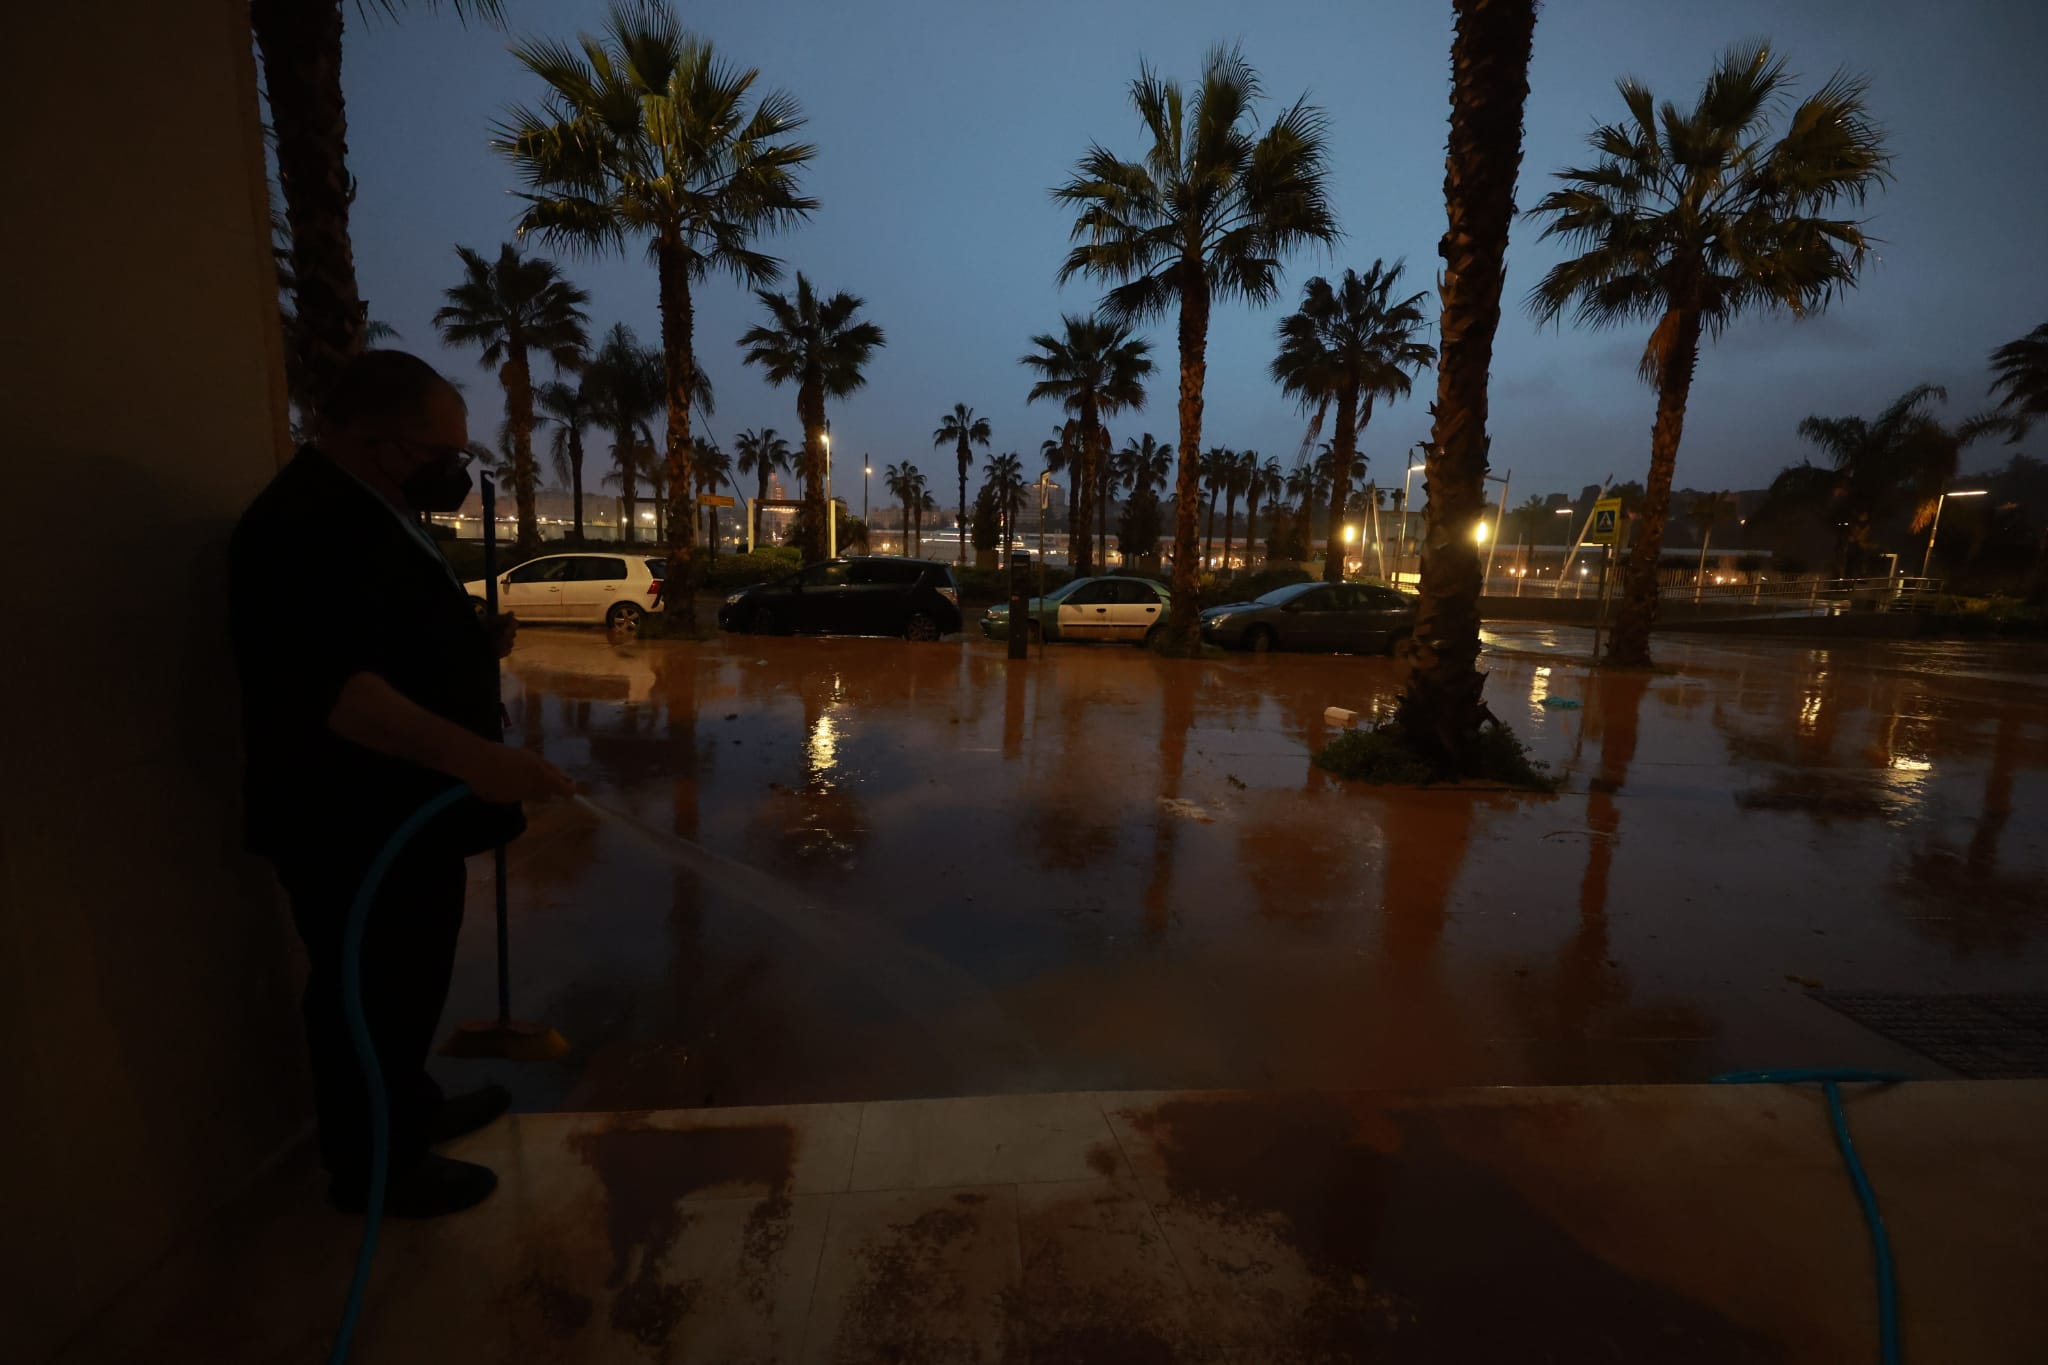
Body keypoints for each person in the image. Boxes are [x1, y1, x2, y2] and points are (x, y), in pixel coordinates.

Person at [228, 351, 574, 1218]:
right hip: (353, 820)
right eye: (436, 447)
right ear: (365, 436)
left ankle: (409, 1107)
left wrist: (465, 645)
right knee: (367, 989)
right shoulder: (304, 524)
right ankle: (377, 1166)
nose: (453, 467)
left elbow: (388, 636)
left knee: (409, 975)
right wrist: (482, 761)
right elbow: (346, 696)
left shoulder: (368, 509)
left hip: (408, 814)